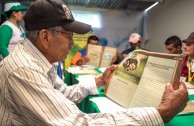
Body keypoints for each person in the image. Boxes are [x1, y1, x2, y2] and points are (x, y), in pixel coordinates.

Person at [0, 0, 188, 125]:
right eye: (69, 36)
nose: (72, 43)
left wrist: (100, 80)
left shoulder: (38, 61)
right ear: (45, 37)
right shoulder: (24, 69)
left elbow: (64, 93)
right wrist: (162, 113)